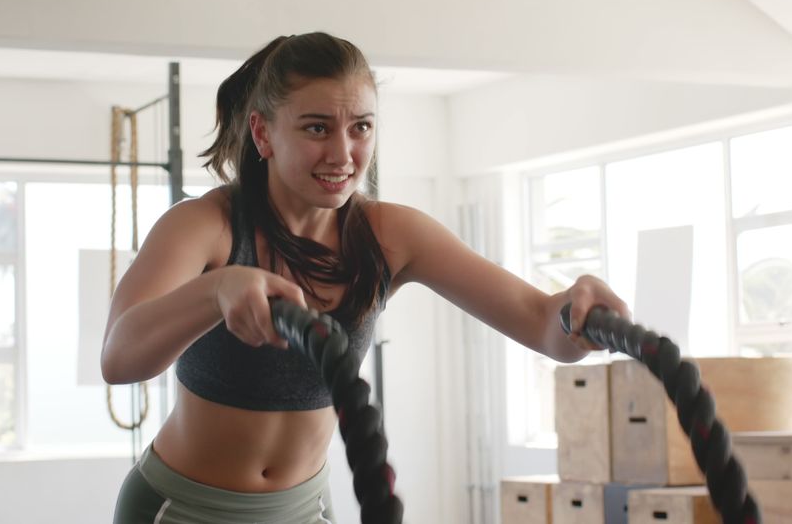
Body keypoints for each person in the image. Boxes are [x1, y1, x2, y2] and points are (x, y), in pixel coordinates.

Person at [102, 32, 628, 524]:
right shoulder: (206, 224)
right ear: (263, 132)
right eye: (316, 128)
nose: (343, 154)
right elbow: (119, 357)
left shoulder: (389, 234)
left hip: (307, 507)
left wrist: (575, 312)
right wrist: (215, 290)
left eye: (361, 127)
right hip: (184, 508)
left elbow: (542, 325)